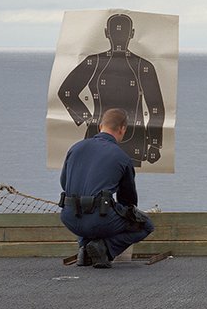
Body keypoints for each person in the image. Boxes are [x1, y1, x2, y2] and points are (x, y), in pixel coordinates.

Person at [55, 12, 166, 164]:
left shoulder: (141, 66)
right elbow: (66, 92)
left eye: (122, 31)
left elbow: (156, 107)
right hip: (118, 137)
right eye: (116, 31)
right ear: (132, 34)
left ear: (106, 33)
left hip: (114, 136)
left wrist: (154, 143)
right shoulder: (139, 65)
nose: (119, 35)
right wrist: (86, 118)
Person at [57, 107, 155, 268]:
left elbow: (64, 183)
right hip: (99, 220)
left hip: (69, 218)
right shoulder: (122, 158)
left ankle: (84, 251)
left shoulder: (75, 148)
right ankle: (105, 249)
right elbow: (128, 200)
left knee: (88, 213)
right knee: (146, 225)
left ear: (100, 126)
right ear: (123, 129)